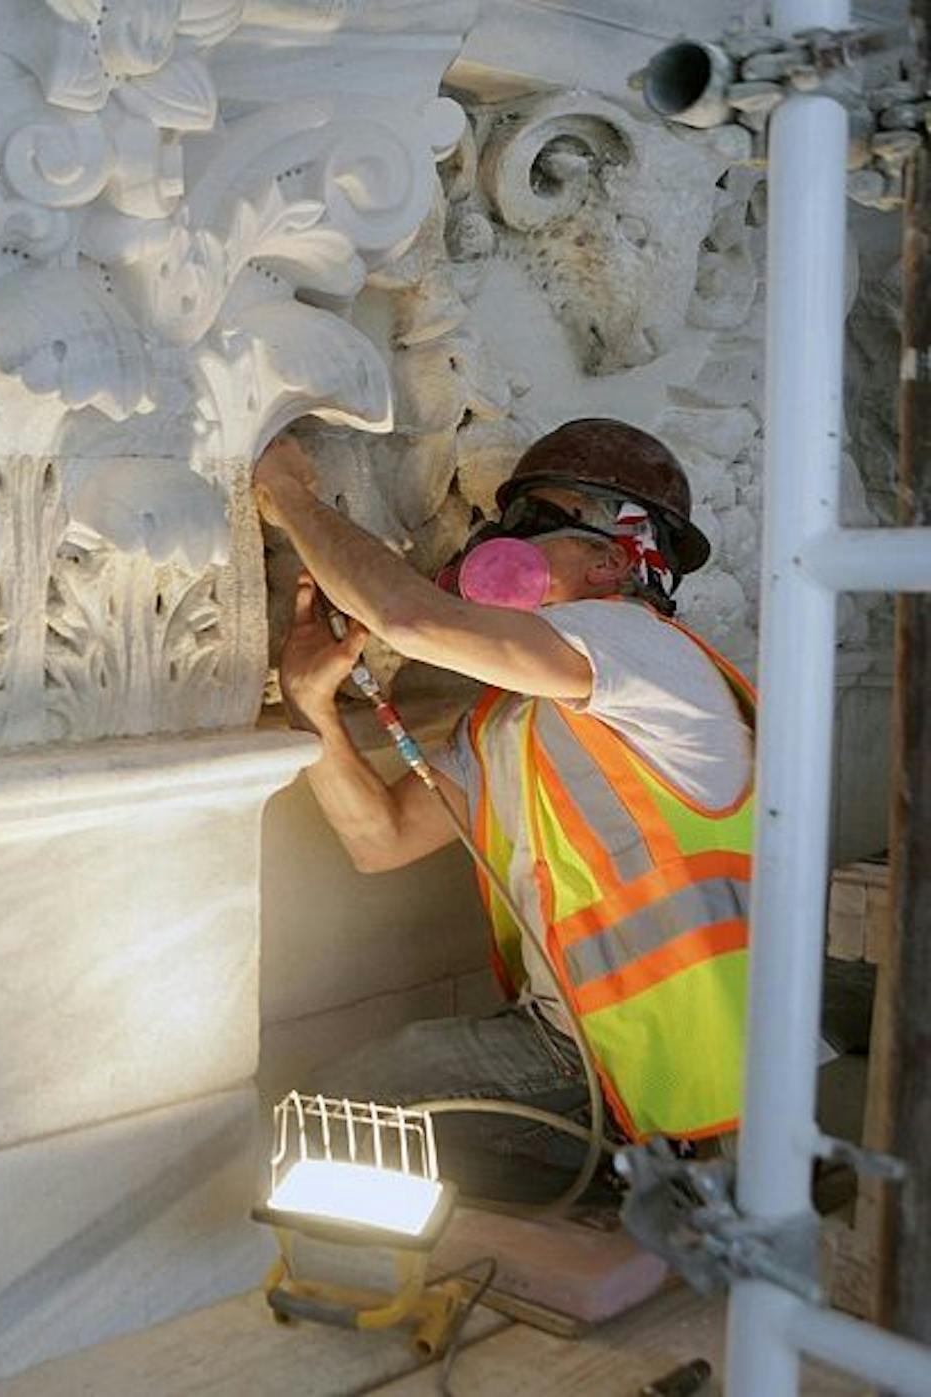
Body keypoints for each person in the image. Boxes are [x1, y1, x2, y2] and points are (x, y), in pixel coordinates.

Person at [252, 418, 754, 1205]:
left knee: (336, 1115)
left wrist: (287, 494)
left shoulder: (636, 646)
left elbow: (412, 620)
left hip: (660, 1073)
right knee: (352, 1129)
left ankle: (675, 1187)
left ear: (613, 556)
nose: (499, 541)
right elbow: (380, 840)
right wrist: (315, 709)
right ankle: (649, 1197)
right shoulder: (509, 721)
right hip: (596, 1059)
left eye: (532, 523)